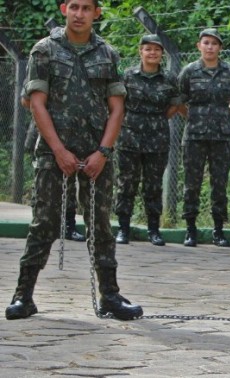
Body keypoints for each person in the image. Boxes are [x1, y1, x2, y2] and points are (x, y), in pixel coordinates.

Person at [6, 0, 143, 321]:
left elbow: (117, 108)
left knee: (100, 225)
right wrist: (58, 151)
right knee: (44, 223)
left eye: (87, 8)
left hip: (97, 154)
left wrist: (103, 152)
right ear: (64, 8)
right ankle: (22, 296)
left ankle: (110, 295)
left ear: (97, 13)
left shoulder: (107, 53)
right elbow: (36, 104)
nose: (79, 14)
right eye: (74, 7)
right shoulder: (45, 50)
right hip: (54, 153)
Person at [114, 34, 182, 246]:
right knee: (126, 183)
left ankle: (154, 230)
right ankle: (123, 228)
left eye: (156, 49)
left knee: (153, 186)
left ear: (162, 53)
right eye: (148, 49)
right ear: (140, 51)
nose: (152, 53)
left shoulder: (170, 79)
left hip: (157, 137)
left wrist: (155, 119)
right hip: (129, 137)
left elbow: (174, 106)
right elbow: (119, 104)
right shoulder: (128, 76)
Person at [177, 28, 230, 247]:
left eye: (214, 44)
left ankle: (218, 230)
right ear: (199, 46)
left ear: (220, 48)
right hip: (195, 136)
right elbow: (179, 102)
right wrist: (194, 117)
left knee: (219, 184)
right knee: (191, 183)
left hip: (222, 137)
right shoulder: (189, 71)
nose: (210, 47)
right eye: (206, 43)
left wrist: (223, 114)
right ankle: (190, 230)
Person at [22, 81, 85, 243]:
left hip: (72, 132)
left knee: (70, 180)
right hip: (44, 132)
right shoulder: (41, 60)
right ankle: (39, 224)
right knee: (43, 182)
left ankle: (69, 226)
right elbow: (26, 99)